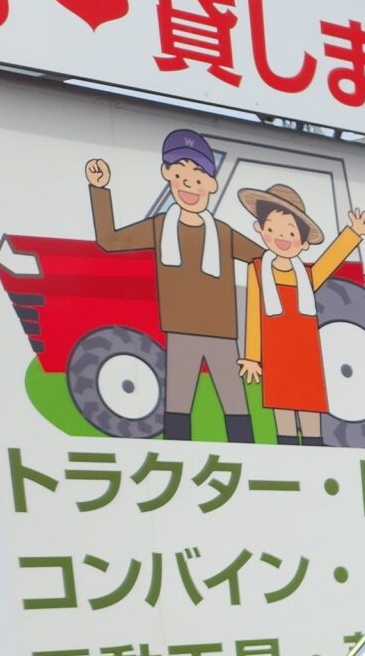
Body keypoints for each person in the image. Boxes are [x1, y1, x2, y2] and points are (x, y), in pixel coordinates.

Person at [83, 128, 264, 442]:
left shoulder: (223, 233)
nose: (189, 185)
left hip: (223, 333)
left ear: (211, 183)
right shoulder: (160, 227)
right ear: (168, 175)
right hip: (180, 330)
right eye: (180, 175)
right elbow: (110, 240)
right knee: (178, 407)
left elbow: (263, 261)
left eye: (197, 176)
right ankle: (178, 464)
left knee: (236, 407)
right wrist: (99, 189)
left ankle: (251, 460)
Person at [234, 183, 365, 446]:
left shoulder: (306, 276)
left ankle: (314, 451)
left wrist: (353, 234)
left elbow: (330, 261)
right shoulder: (257, 271)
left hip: (306, 356)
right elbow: (253, 315)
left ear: (304, 241)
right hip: (275, 357)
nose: (281, 237)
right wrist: (252, 357)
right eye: (273, 229)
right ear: (260, 229)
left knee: (311, 414)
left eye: (290, 231)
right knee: (283, 414)